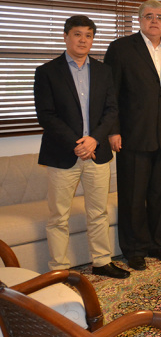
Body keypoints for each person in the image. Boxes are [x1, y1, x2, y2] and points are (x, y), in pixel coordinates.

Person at [34, 15, 129, 279]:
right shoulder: (47, 72)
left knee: (98, 212)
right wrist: (78, 143)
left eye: (88, 35)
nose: (83, 40)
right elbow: (46, 115)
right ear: (66, 36)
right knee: (58, 217)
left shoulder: (103, 71)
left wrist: (94, 139)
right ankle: (59, 270)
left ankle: (101, 261)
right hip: (63, 154)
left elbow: (111, 110)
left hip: (97, 153)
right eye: (77, 34)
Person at [104, 0, 161, 271]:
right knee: (133, 196)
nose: (154, 21)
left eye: (159, 17)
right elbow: (111, 94)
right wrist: (113, 130)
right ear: (139, 20)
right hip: (132, 136)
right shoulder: (120, 49)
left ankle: (156, 244)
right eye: (149, 16)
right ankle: (134, 249)